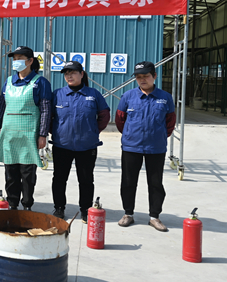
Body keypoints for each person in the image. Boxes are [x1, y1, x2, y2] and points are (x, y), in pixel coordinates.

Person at [115, 61, 176, 232]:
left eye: (146, 76)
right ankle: (128, 213)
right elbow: (120, 120)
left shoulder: (165, 97)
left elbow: (170, 122)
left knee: (155, 183)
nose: (142, 79)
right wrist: (130, 135)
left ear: (154, 76)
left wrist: (159, 136)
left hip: (156, 148)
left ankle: (154, 216)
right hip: (131, 146)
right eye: (138, 77)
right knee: (128, 181)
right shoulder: (128, 96)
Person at [0, 46, 52, 211]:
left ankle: (27, 205)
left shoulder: (40, 83)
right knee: (10, 172)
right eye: (14, 59)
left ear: (30, 61)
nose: (16, 62)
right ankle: (12, 204)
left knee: (27, 173)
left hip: (29, 135)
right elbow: (1, 106)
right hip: (9, 134)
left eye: (20, 59)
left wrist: (42, 135)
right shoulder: (8, 81)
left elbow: (46, 110)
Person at [50, 61, 110, 223]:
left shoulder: (93, 94)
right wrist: (56, 132)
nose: (69, 76)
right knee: (59, 178)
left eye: (73, 72)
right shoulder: (57, 94)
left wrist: (93, 131)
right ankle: (59, 208)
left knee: (85, 180)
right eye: (66, 73)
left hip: (87, 146)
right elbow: (48, 117)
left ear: (82, 74)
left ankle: (85, 209)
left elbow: (104, 115)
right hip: (62, 145)